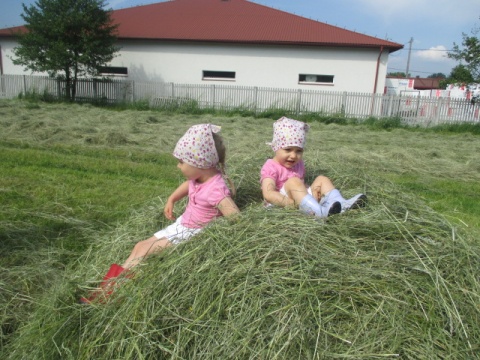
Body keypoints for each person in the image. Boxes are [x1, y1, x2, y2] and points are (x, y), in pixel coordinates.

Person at [80, 123, 240, 303]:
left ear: (200, 163)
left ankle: (111, 296)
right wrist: (172, 199)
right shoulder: (200, 177)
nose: (178, 166)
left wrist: (228, 233)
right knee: (140, 246)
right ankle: (105, 289)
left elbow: (235, 215)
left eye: (181, 161)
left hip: (193, 235)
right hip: (182, 226)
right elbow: (188, 185)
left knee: (146, 252)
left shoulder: (216, 189)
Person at [260, 116, 366, 218]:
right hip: (282, 202)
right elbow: (268, 193)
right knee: (293, 181)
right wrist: (293, 204)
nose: (293, 156)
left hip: (302, 199)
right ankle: (319, 212)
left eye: (299, 151)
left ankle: (342, 205)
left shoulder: (298, 164)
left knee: (322, 179)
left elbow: (300, 185)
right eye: (288, 150)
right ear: (276, 147)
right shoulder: (271, 166)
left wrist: (310, 192)